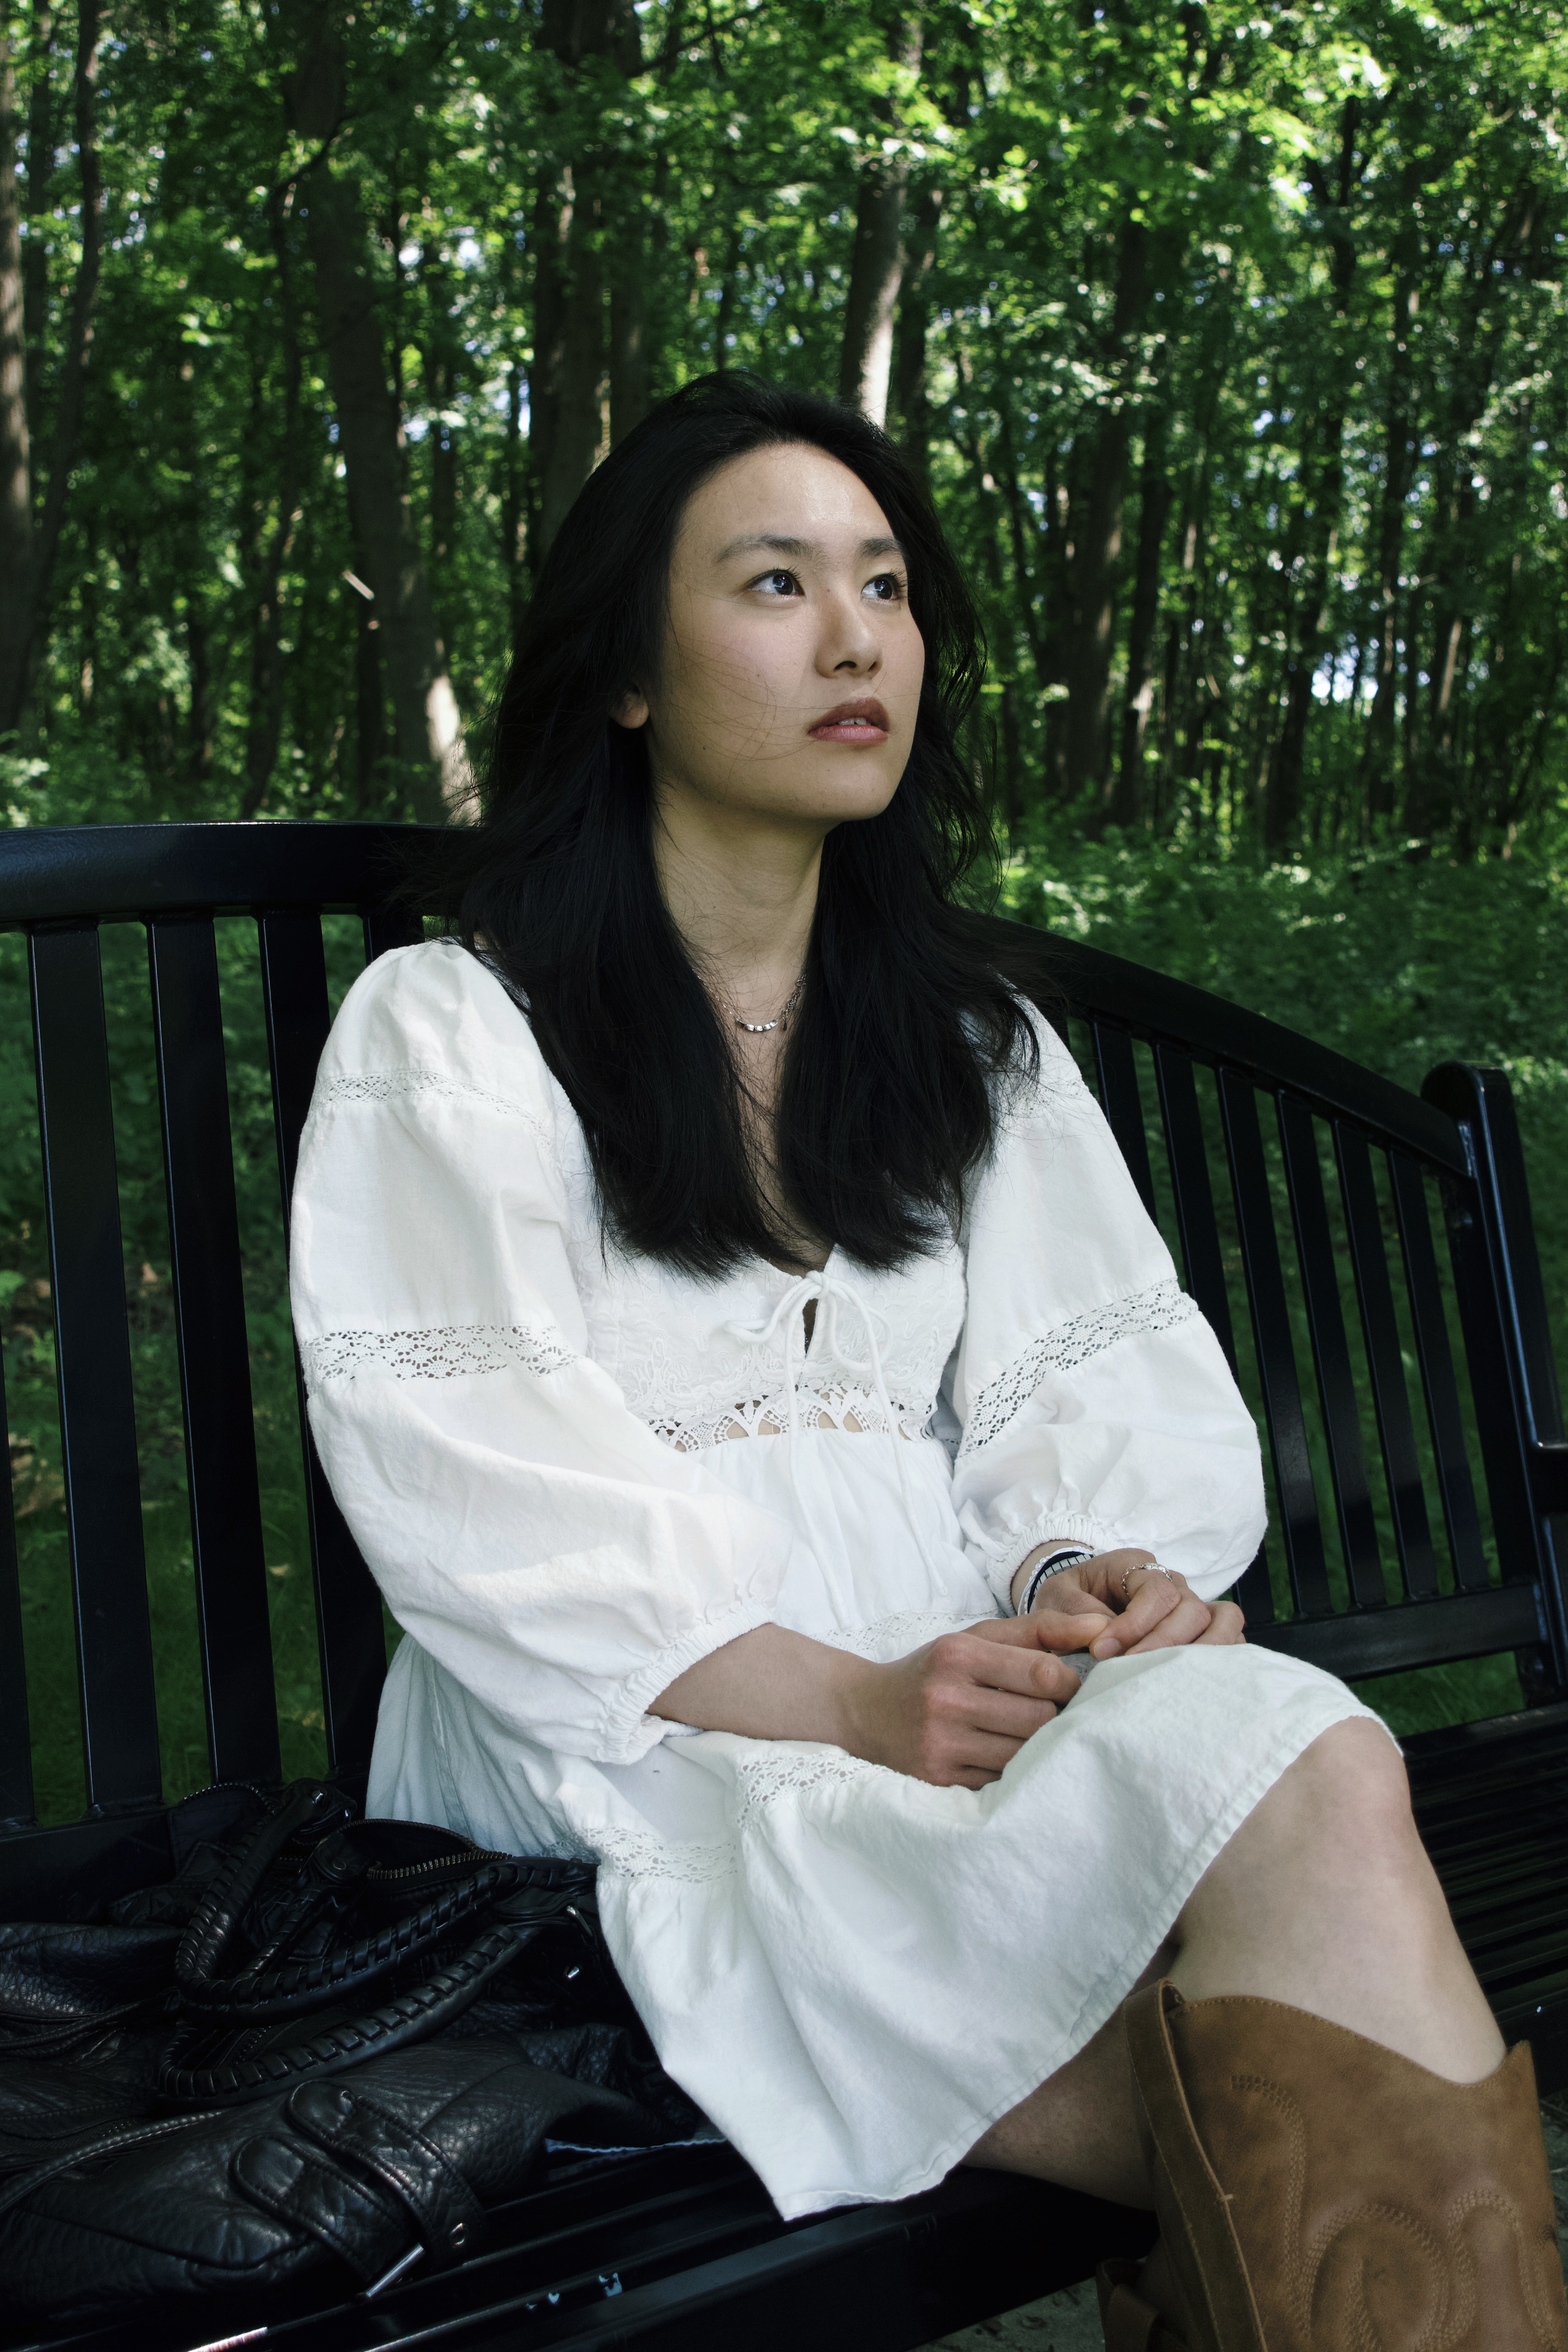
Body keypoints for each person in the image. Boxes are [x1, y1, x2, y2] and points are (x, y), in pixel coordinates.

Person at [289, 373, 1565, 2350]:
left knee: (1302, 1745)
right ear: (625, 672)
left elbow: (1080, 1383)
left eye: (883, 584)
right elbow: (482, 1485)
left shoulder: (969, 1042)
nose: (856, 636)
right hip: (622, 1721)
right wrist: (853, 1704)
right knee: (1308, 2067)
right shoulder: (458, 1026)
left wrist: (1082, 1578)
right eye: (776, 583)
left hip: (950, 1669)